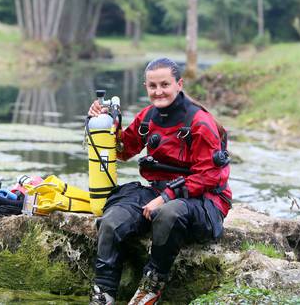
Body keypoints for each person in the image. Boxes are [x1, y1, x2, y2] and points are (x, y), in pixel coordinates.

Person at [88, 58, 232, 305]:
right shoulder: (148, 117)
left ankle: (151, 286)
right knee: (112, 219)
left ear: (179, 84)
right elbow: (123, 150)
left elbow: (210, 176)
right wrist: (105, 124)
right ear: (145, 86)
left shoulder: (199, 122)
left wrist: (166, 198)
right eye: (152, 86)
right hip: (159, 190)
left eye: (165, 84)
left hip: (204, 200)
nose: (158, 91)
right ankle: (104, 292)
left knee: (168, 213)